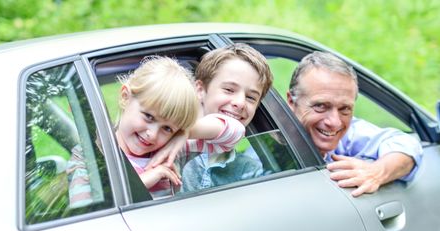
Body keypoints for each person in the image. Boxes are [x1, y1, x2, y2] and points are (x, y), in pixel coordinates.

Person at [67, 55, 246, 205]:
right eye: (149, 117)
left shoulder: (170, 151)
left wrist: (185, 134)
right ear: (125, 97)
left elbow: (235, 132)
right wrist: (144, 181)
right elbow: (85, 210)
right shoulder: (90, 156)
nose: (152, 134)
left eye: (167, 128)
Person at [286, 51, 423, 197]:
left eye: (344, 109)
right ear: (291, 102)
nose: (335, 122)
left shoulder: (346, 136)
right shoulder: (264, 145)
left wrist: (377, 171)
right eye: (320, 106)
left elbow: (406, 144)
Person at [150, 43, 274, 192]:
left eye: (251, 97)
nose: (240, 103)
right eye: (229, 90)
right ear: (200, 90)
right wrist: (176, 132)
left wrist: (184, 132)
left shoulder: (248, 169)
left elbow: (235, 130)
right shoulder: (158, 137)